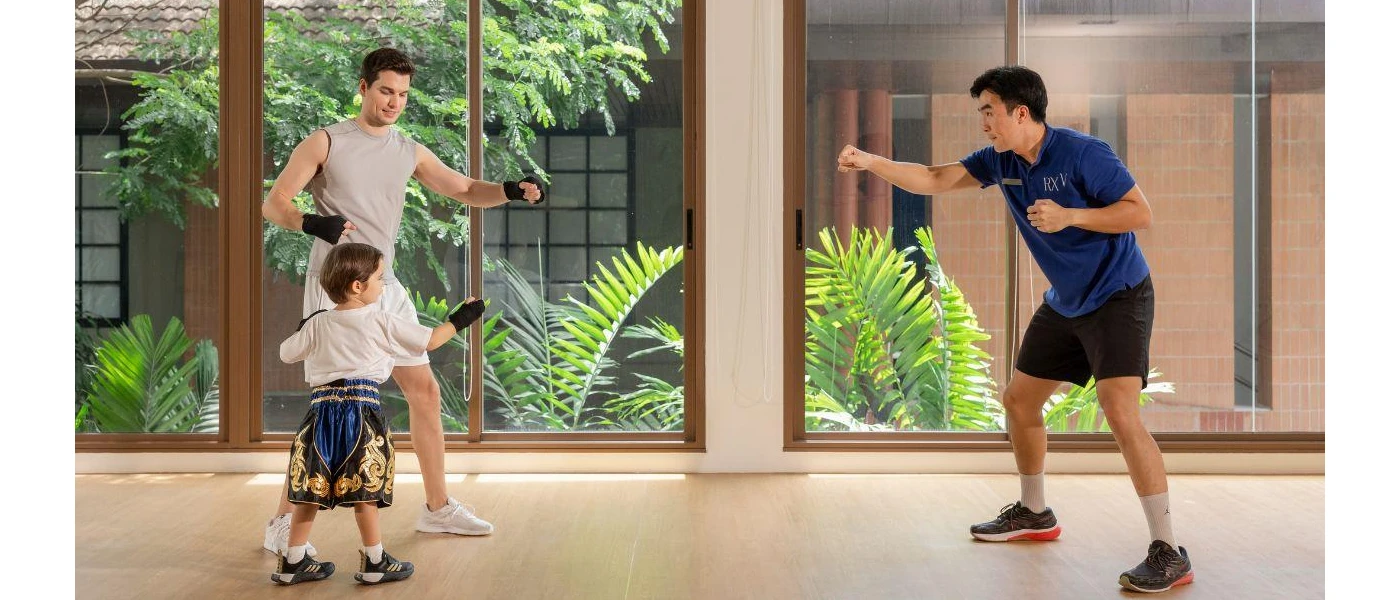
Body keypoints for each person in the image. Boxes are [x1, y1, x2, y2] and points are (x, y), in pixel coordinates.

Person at [836, 65, 1193, 593]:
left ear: (1020, 113)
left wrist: (1071, 216)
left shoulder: (1083, 153)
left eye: (989, 112)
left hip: (1118, 294)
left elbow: (1139, 213)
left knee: (1119, 410)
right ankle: (1034, 511)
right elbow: (933, 178)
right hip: (1066, 302)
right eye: (981, 112)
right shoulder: (999, 160)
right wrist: (870, 162)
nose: (983, 122)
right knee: (1019, 401)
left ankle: (1168, 549)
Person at [261, 47, 545, 556]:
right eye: (386, 91)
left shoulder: (407, 150)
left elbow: (464, 188)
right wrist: (312, 222)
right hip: (336, 288)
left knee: (425, 392)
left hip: (384, 285)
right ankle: (283, 521)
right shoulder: (326, 141)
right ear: (364, 87)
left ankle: (437, 507)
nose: (394, 102)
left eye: (403, 94)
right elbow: (274, 204)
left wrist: (510, 189)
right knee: (332, 406)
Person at [272, 242, 486, 585]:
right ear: (358, 286)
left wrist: (307, 326)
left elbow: (286, 353)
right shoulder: (380, 319)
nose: (384, 286)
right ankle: (374, 561)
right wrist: (463, 317)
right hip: (361, 415)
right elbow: (429, 341)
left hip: (320, 415)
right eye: (380, 279)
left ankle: (292, 561)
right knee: (365, 493)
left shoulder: (318, 322)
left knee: (311, 491)